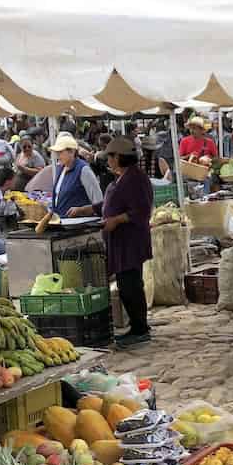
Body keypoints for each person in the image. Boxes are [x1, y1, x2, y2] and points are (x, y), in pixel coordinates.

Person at [101, 142, 154, 348]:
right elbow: (110, 205)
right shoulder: (123, 178)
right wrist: (85, 209)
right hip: (121, 242)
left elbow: (140, 211)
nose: (108, 160)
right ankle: (137, 325)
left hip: (130, 241)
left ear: (118, 157)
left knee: (130, 285)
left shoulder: (135, 179)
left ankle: (140, 329)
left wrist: (117, 220)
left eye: (110, 156)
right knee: (127, 284)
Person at [49, 131, 104, 218]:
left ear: (72, 151)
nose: (57, 155)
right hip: (62, 223)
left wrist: (81, 210)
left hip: (78, 226)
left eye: (60, 152)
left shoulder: (83, 170)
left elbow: (98, 202)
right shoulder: (60, 168)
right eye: (57, 152)